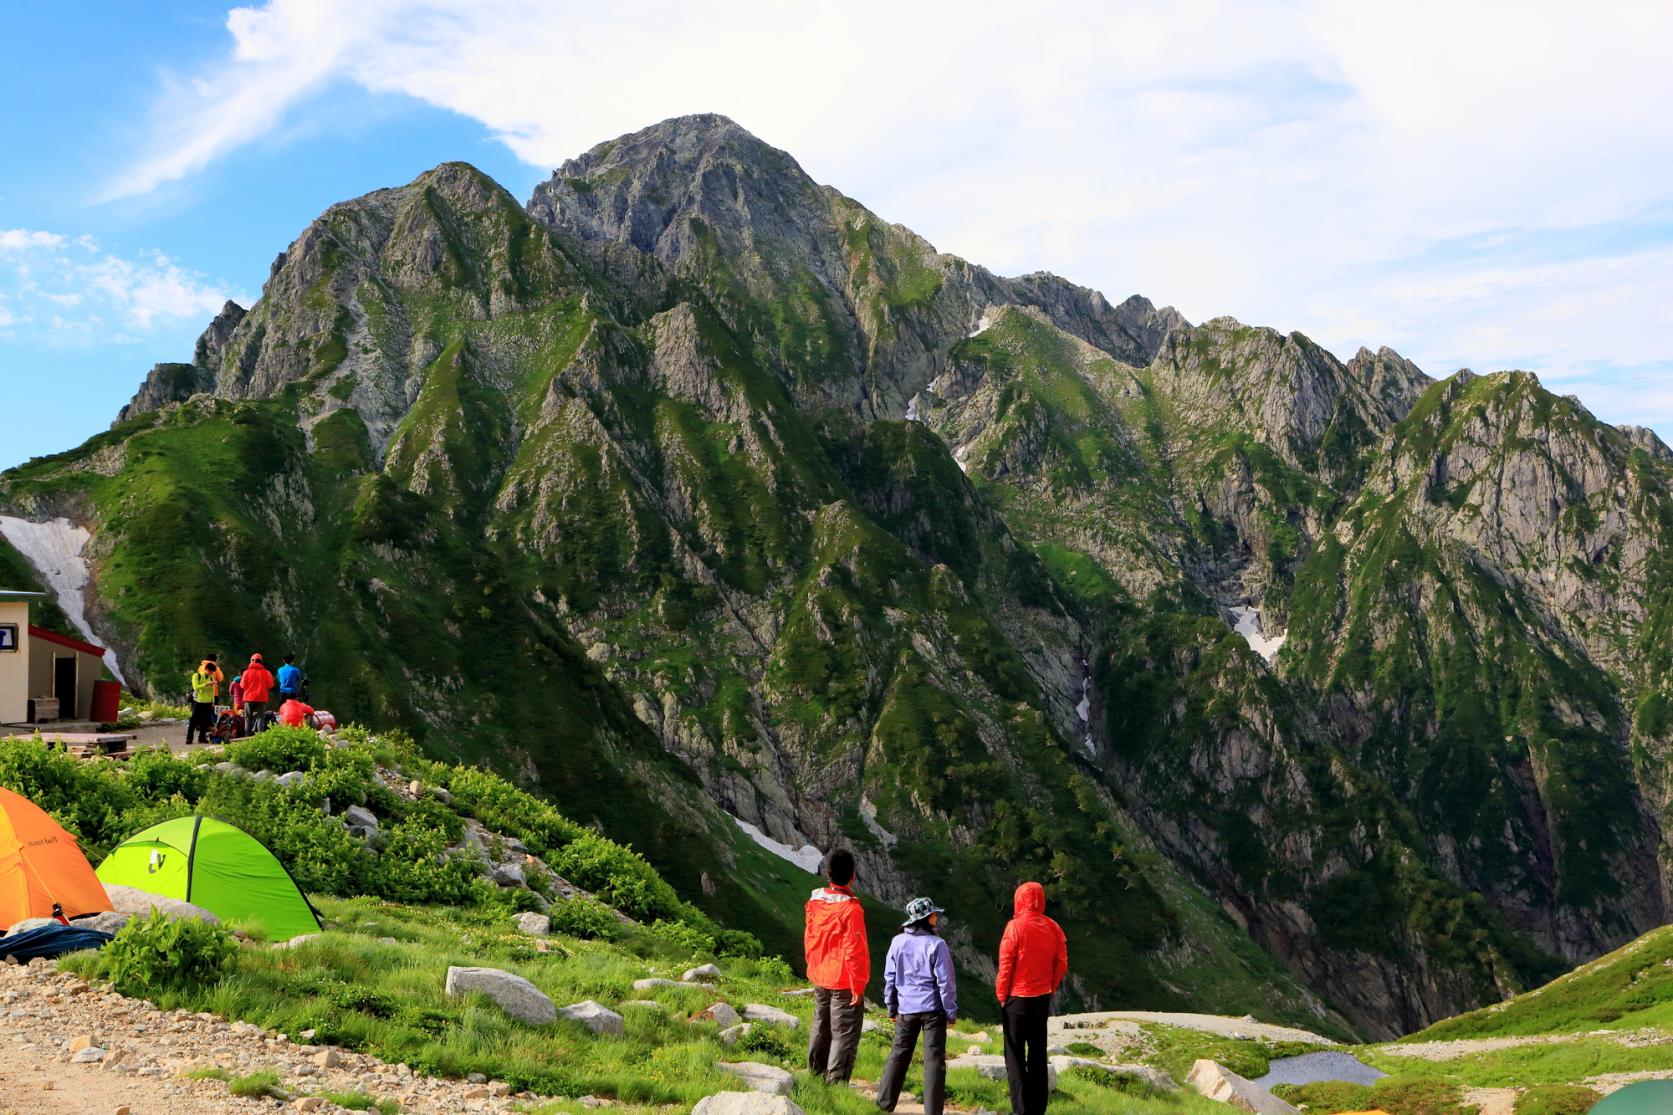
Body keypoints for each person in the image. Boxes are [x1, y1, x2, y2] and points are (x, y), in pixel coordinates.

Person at [878, 897, 957, 1115]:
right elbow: (946, 983)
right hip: (933, 1011)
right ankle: (933, 1111)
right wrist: (950, 1012)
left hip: (906, 1009)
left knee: (898, 1055)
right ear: (925, 919)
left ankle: (884, 1105)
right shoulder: (937, 945)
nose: (936, 917)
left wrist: (891, 1007)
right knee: (934, 1062)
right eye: (933, 914)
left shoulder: (897, 942)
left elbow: (890, 978)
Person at [996, 881, 1068, 1115]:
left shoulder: (1014, 927)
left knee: (1014, 1055)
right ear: (1041, 900)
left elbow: (1006, 965)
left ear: (1019, 900)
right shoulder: (1054, 927)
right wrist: (1051, 986)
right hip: (1041, 999)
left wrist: (1002, 994)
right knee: (1038, 1053)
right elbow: (1061, 962)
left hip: (1016, 998)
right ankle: (1039, 1108)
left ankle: (1021, 1109)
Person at [804, 848, 869, 1084]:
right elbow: (855, 951)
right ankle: (835, 1086)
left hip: (820, 974)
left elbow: (810, 937)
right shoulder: (852, 910)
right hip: (843, 980)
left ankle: (814, 1077)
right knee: (844, 1034)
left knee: (821, 1027)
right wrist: (858, 985)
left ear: (828, 874)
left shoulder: (815, 902)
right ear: (853, 875)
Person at [185, 659, 218, 745]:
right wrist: (206, 684)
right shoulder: (197, 676)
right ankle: (189, 738)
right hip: (198, 701)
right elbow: (196, 687)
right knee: (193, 720)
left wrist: (212, 702)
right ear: (206, 669)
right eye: (211, 671)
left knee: (205, 721)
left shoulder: (211, 678)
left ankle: (202, 738)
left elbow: (212, 691)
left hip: (207, 702)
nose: (211, 673)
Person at [240, 653, 276, 730]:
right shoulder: (267, 672)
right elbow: (270, 685)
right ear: (260, 661)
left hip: (249, 698)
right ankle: (259, 737)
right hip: (262, 698)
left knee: (248, 718)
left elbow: (242, 686)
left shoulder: (246, 672)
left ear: (252, 661)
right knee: (260, 718)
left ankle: (247, 736)